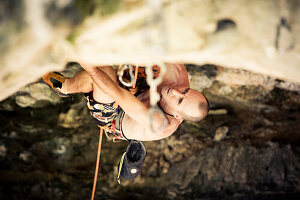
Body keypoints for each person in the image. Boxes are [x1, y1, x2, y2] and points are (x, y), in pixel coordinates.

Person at [42, 63, 209, 142]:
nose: (175, 91)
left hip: (117, 116)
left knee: (103, 73)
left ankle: (65, 87)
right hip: (143, 90)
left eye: (179, 100)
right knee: (157, 64)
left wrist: (86, 62)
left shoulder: (160, 123)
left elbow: (116, 93)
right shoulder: (179, 78)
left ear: (178, 114)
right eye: (186, 91)